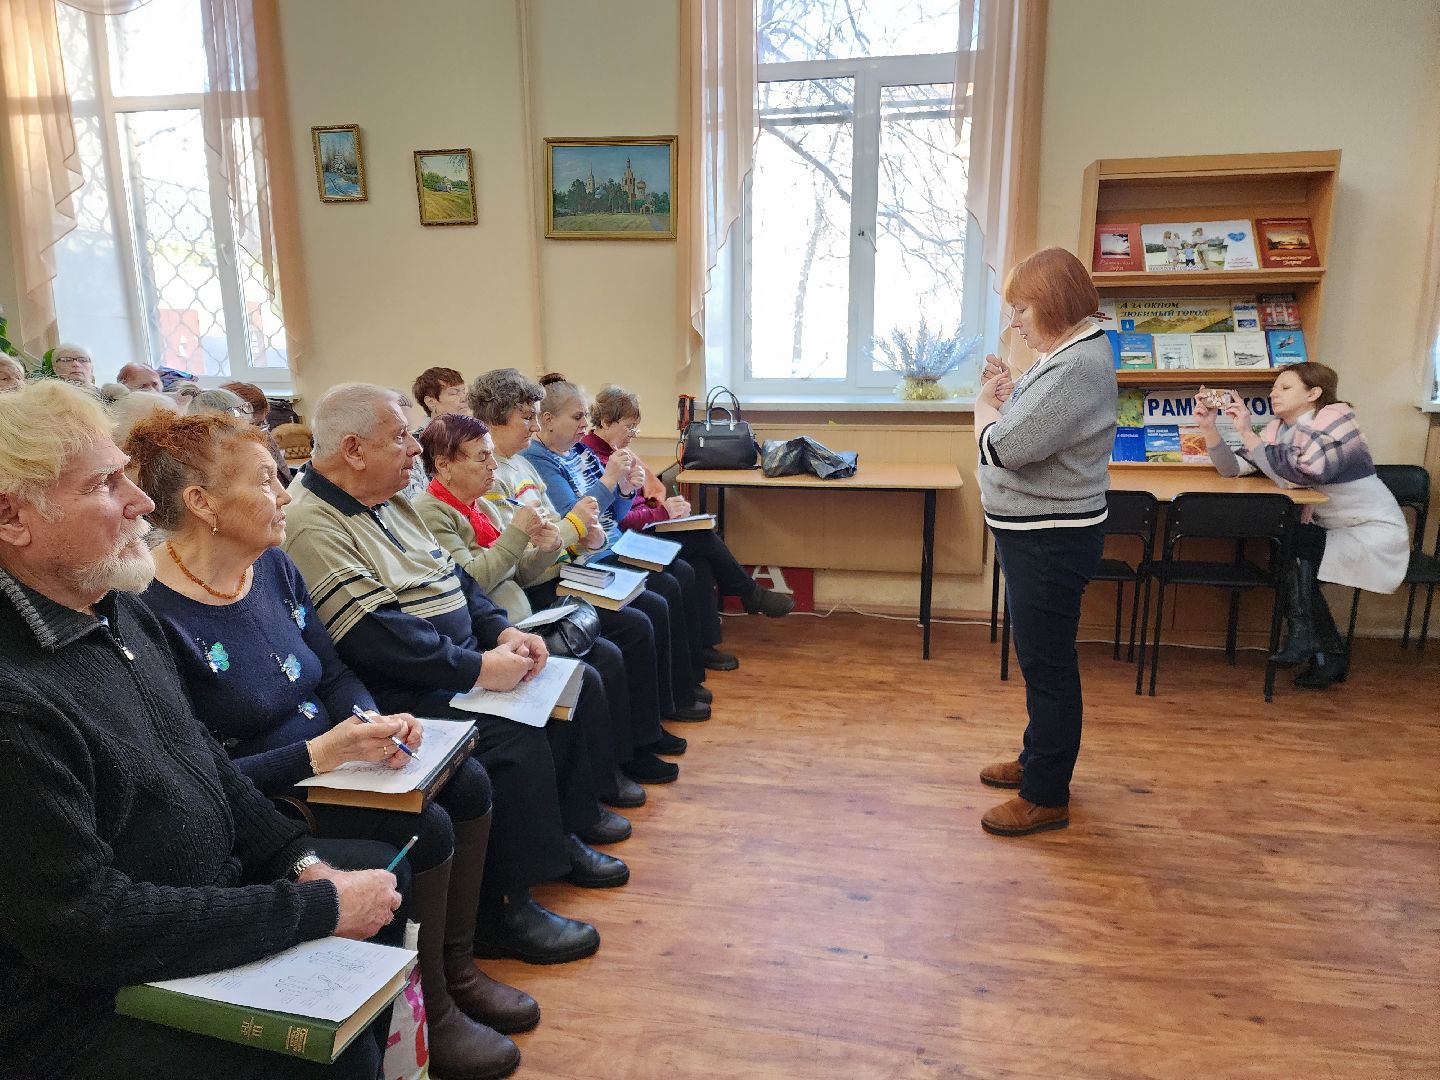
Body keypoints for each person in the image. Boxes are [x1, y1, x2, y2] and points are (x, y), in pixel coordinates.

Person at [0, 380, 404, 1079]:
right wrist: (308, 908)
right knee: (328, 1061)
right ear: (12, 517)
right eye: (105, 484)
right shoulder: (15, 700)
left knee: (377, 913)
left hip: (197, 904)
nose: (142, 502)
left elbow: (205, 763)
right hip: (86, 1002)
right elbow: (85, 925)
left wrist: (300, 864)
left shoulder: (113, 609)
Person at [127, 410, 531, 1079]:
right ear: (201, 503)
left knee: (468, 779)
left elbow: (336, 671)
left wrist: (374, 720)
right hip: (272, 792)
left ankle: (456, 969)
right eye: (266, 481)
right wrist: (325, 754)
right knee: (424, 829)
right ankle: (426, 1008)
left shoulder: (275, 567)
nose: (287, 494)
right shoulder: (152, 612)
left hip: (335, 758)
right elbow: (201, 776)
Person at [282, 383, 631, 966]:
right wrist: (476, 668)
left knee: (566, 683)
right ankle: (504, 910)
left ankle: (561, 839)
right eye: (399, 438)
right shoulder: (313, 521)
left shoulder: (388, 498)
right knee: (510, 739)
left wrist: (501, 631)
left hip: (455, 657)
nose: (414, 449)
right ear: (353, 449)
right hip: (407, 684)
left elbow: (458, 581)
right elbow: (375, 634)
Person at [415, 412, 684, 800]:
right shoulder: (433, 512)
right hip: (494, 630)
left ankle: (623, 758)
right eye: (481, 458)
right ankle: (603, 779)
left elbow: (521, 573)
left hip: (521, 611)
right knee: (597, 663)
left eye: (492, 455)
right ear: (444, 465)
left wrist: (552, 545)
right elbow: (474, 581)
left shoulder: (478, 504)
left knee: (614, 645)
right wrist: (519, 533)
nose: (493, 466)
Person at [469, 368, 713, 722]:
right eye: (527, 418)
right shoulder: (512, 469)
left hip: (568, 564)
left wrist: (589, 530)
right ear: (497, 418)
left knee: (673, 582)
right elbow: (537, 547)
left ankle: (673, 697)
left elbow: (567, 523)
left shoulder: (523, 464)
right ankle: (655, 719)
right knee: (643, 617)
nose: (534, 427)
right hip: (544, 582)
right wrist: (582, 528)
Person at [973, 246, 1117, 837]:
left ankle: (1046, 794)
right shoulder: (1068, 353)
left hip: (1050, 539)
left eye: (1023, 310)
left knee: (1048, 665)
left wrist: (984, 408)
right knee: (1041, 661)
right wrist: (1010, 401)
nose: (1015, 323)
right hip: (1039, 534)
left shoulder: (1077, 364)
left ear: (1055, 305)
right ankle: (1038, 759)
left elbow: (1003, 447)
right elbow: (1029, 427)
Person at [1194, 363, 1408, 688]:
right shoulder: (1277, 429)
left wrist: (1248, 434)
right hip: (1334, 527)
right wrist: (1210, 428)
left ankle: (1311, 642)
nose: (1272, 393)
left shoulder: (1336, 421)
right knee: (1288, 553)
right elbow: (1231, 468)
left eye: (1284, 388)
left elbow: (1300, 475)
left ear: (1313, 393)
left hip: (1369, 529)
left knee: (1291, 550)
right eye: (1274, 388)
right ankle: (1323, 651)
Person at [581, 383, 796, 649]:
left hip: (642, 525)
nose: (634, 434)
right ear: (605, 421)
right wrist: (662, 512)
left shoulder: (617, 452)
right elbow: (619, 520)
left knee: (701, 563)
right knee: (703, 539)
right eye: (629, 427)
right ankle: (749, 593)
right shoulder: (592, 457)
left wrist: (666, 508)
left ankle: (706, 647)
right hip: (626, 540)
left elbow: (636, 501)